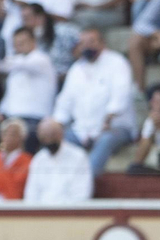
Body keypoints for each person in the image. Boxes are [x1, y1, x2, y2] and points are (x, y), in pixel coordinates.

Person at [52, 28, 135, 174]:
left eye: (92, 41)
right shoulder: (76, 69)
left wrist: (108, 118)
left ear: (102, 43)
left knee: (105, 140)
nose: (87, 46)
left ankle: (86, 183)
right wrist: (57, 124)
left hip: (113, 126)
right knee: (59, 140)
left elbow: (121, 93)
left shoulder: (117, 62)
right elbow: (65, 100)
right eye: (83, 43)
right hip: (82, 129)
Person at [0, 26, 52, 164]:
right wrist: (0, 111)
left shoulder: (41, 60)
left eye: (22, 43)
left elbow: (5, 65)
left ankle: (22, 180)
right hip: (11, 120)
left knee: (25, 137)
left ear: (33, 42)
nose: (19, 47)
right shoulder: (15, 66)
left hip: (34, 121)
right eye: (16, 44)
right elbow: (10, 95)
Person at [24, 118, 92, 203]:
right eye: (44, 137)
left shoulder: (78, 157)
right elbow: (31, 195)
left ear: (61, 134)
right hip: (41, 213)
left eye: (52, 135)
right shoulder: (38, 159)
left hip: (69, 213)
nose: (48, 140)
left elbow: (81, 195)